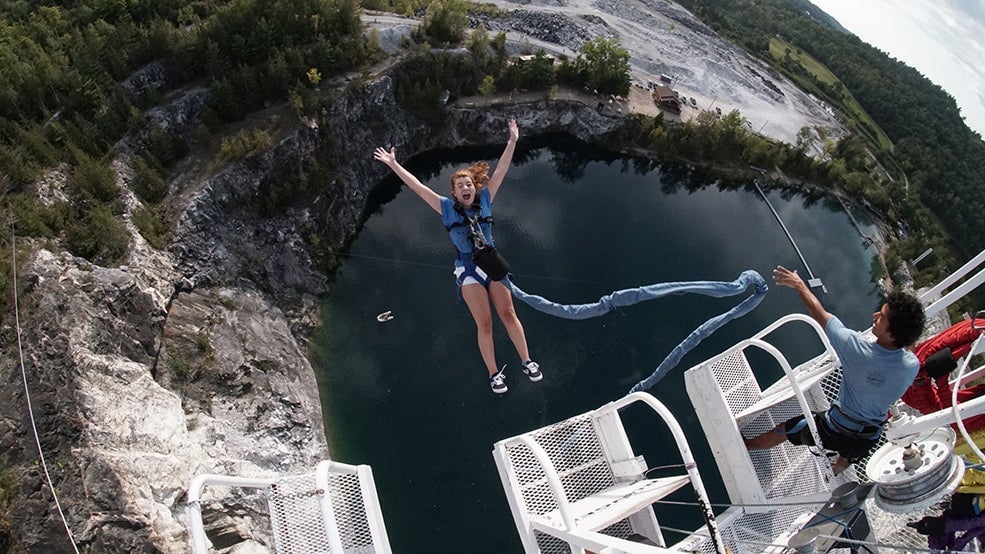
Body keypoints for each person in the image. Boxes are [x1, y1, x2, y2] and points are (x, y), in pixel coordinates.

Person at [373, 119, 542, 394]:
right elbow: (417, 187)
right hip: (468, 268)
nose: (465, 188)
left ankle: (527, 361)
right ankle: (494, 374)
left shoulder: (486, 198)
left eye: (468, 184)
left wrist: (512, 141)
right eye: (460, 185)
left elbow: (501, 170)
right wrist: (393, 164)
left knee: (509, 313)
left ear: (474, 187)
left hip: (492, 261)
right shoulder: (446, 208)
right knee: (485, 322)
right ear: (454, 192)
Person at [744, 265, 926, 474]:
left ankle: (748, 444)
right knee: (850, 451)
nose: (875, 315)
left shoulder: (855, 348)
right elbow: (907, 348)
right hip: (868, 438)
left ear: (893, 335)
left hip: (834, 430)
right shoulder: (911, 366)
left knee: (787, 428)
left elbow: (819, 313)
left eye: (882, 317)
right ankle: (838, 468)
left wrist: (798, 284)